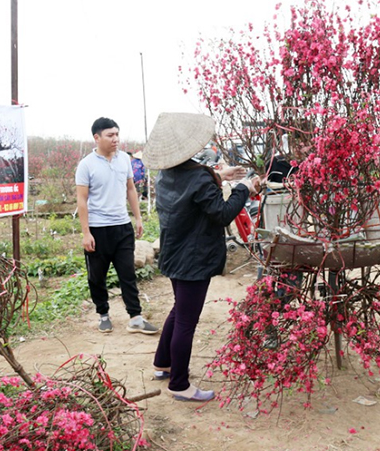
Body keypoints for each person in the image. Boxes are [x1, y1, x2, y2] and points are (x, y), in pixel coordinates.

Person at [144, 112, 261, 402]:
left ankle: (163, 363)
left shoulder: (166, 173)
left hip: (175, 253)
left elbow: (191, 187)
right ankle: (179, 385)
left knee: (178, 311)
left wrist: (219, 175)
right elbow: (221, 213)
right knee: (186, 320)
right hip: (194, 259)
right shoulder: (197, 177)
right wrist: (243, 188)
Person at [75, 117, 158, 335]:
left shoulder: (124, 160)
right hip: (98, 229)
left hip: (122, 226)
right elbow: (81, 200)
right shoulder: (86, 165)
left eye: (117, 134)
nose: (115, 139)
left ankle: (136, 317)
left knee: (127, 273)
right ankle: (103, 314)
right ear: (97, 137)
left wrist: (138, 218)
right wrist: (86, 233)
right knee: (97, 277)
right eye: (110, 135)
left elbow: (130, 189)